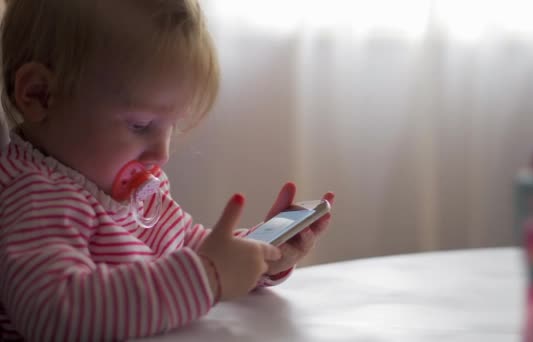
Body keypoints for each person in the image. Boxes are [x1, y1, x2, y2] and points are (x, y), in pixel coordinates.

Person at [0, 0, 334, 340]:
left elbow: (188, 246)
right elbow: (56, 314)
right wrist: (208, 276)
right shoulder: (36, 198)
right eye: (141, 125)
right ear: (39, 95)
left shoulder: (123, 186)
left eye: (171, 126)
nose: (161, 154)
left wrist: (257, 257)